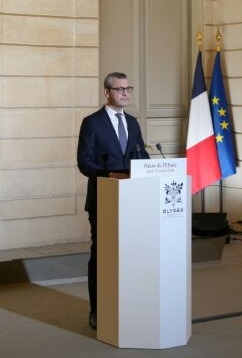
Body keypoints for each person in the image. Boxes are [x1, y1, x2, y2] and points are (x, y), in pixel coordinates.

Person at [77, 72, 150, 330]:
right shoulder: (92, 123)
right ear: (107, 92)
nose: (125, 93)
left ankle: (130, 306)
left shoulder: (133, 122)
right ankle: (98, 310)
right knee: (102, 255)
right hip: (104, 198)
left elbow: (141, 156)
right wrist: (109, 175)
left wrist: (154, 170)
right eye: (120, 89)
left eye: (128, 89)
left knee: (133, 255)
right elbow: (84, 162)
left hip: (134, 200)